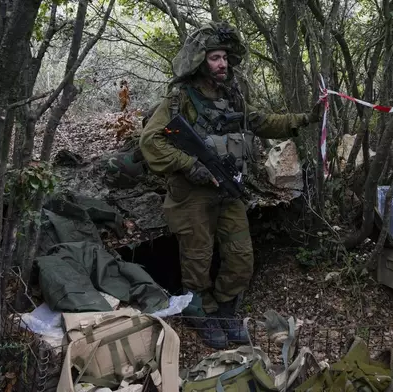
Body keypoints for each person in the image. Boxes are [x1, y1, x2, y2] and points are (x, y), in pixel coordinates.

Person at [139, 21, 320, 349]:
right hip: (192, 194)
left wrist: (305, 119)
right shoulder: (181, 99)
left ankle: (225, 311)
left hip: (227, 188)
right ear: (200, 61)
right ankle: (203, 314)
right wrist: (190, 165)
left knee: (240, 257)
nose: (222, 63)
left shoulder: (232, 96)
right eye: (214, 58)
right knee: (197, 259)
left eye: (224, 57)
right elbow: (150, 141)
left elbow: (262, 121)